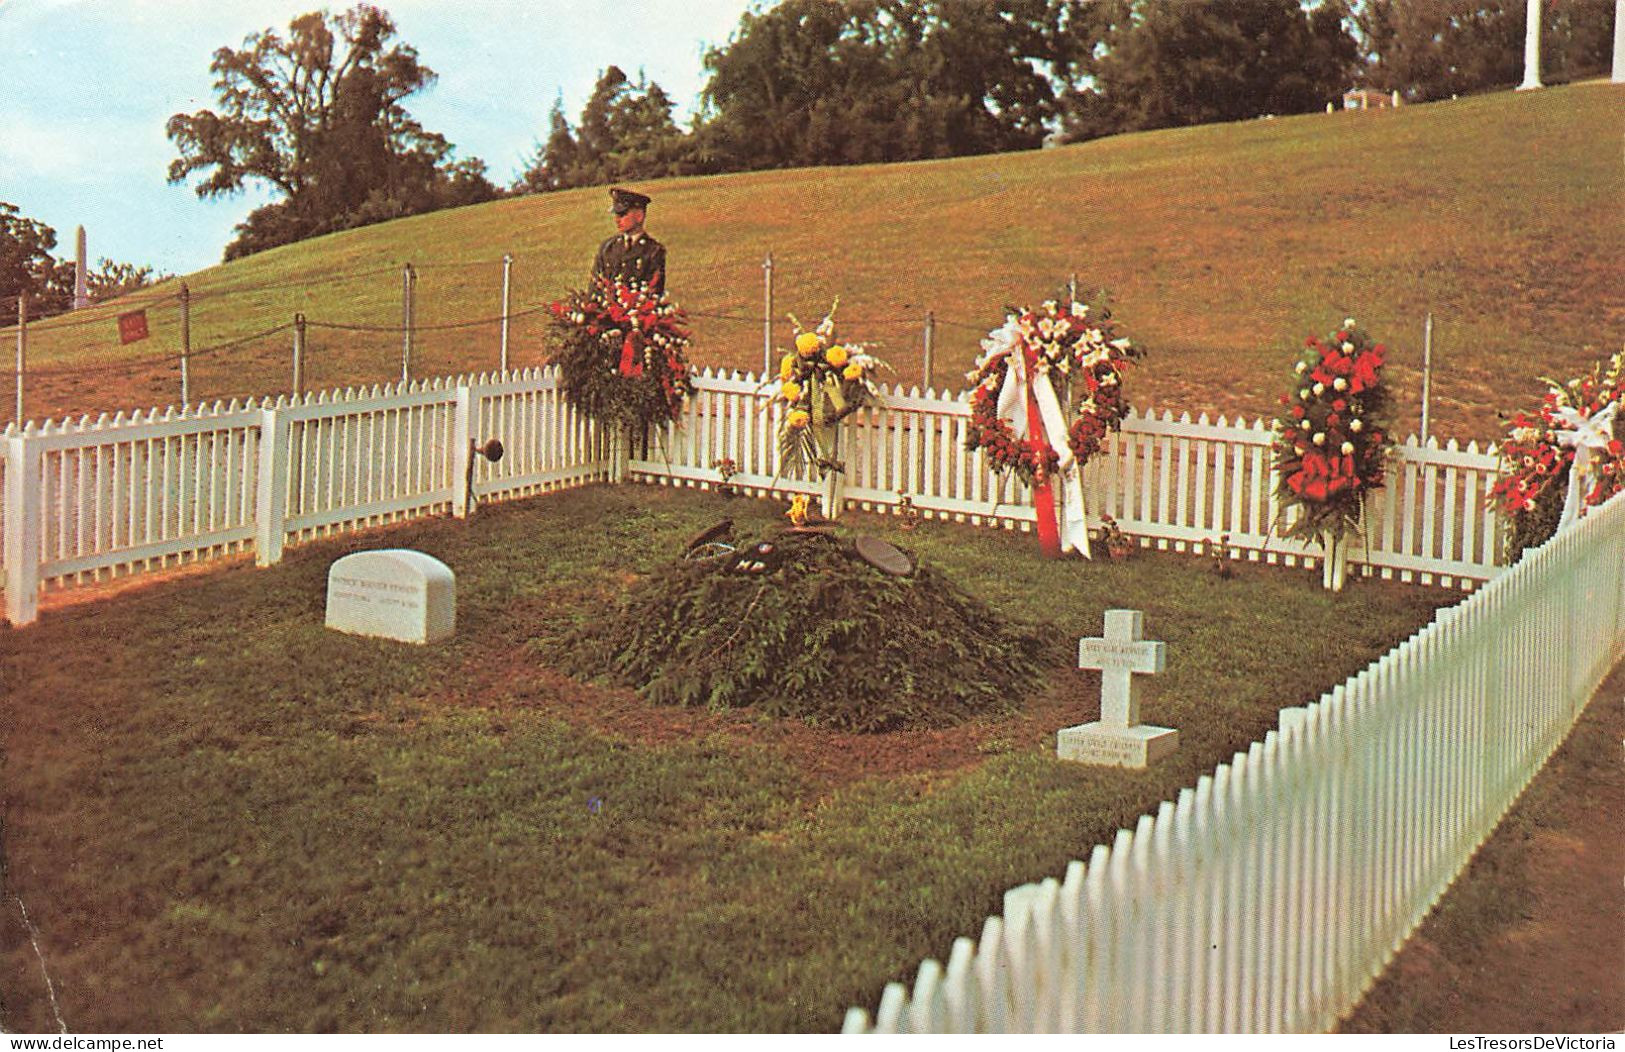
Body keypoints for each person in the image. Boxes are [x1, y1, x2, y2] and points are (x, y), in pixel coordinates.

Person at [592, 187, 666, 295]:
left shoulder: (653, 251)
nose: (617, 220)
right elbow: (595, 287)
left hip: (638, 309)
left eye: (622, 215)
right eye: (616, 215)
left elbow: (654, 291)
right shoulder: (607, 248)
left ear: (639, 216)